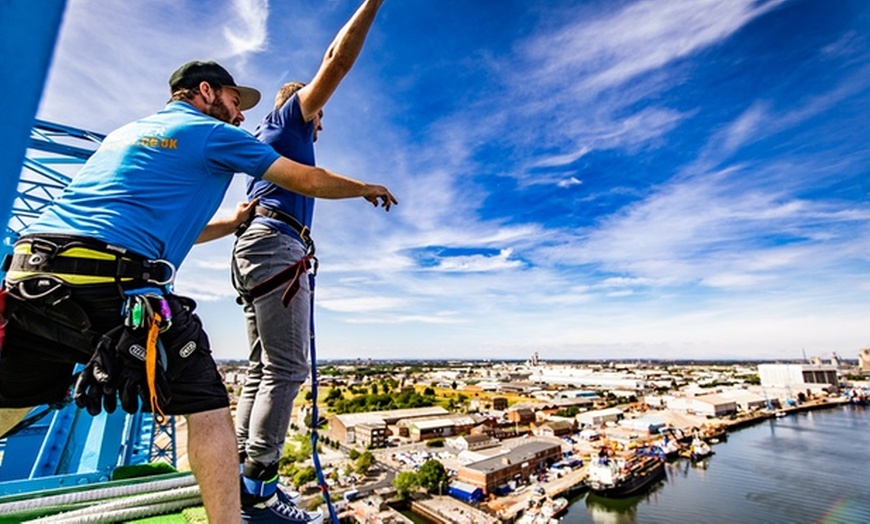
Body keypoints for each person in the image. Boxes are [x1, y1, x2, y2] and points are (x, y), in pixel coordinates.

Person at [0, 60, 396, 524]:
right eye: (234, 101)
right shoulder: (216, 132)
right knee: (210, 407)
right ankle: (251, 496)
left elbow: (161, 225)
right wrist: (364, 187)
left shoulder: (124, 134)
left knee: (10, 400)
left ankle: (247, 474)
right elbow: (307, 170)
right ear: (205, 91)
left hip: (31, 274)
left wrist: (233, 222)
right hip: (111, 278)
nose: (241, 115)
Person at [231, 1, 386, 522]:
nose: (321, 126)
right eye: (320, 115)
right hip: (276, 246)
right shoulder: (288, 121)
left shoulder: (266, 141)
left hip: (257, 248)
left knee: (263, 367)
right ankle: (258, 489)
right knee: (288, 368)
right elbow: (336, 61)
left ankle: (240, 472)